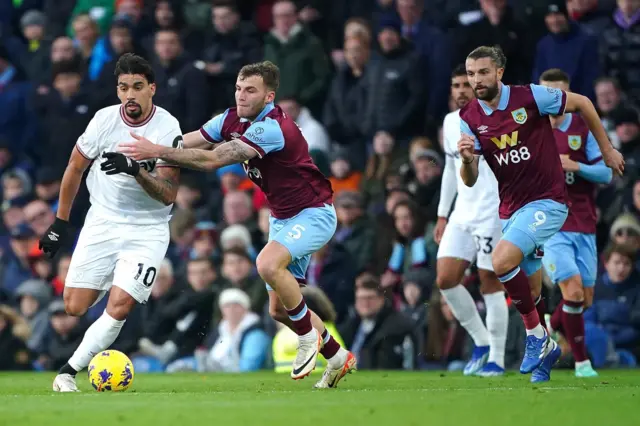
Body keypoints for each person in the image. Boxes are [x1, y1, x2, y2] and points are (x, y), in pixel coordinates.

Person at [118, 61, 356, 387]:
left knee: (266, 264)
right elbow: (187, 143)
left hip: (314, 214)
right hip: (283, 218)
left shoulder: (271, 127)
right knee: (279, 310)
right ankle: (337, 356)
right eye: (239, 88)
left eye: (251, 90)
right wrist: (146, 152)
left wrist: (156, 151)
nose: (242, 96)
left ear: (269, 96)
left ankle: (307, 340)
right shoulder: (230, 118)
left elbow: (212, 159)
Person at [458, 46, 624, 383]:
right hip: (511, 209)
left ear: (499, 72)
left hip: (548, 201)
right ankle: (546, 356)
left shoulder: (529, 97)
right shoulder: (470, 117)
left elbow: (584, 104)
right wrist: (466, 160)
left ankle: (536, 338)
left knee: (501, 262)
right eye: (471, 74)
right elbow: (471, 180)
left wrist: (606, 149)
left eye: (483, 72)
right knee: (531, 294)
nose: (476, 80)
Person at [39, 53, 183, 392]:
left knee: (119, 305)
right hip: (102, 221)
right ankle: (115, 282)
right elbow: (75, 168)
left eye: (137, 87)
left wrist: (135, 170)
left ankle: (67, 372)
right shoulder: (104, 120)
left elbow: (168, 193)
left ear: (152, 89)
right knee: (73, 307)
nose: (129, 95)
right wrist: (60, 221)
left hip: (147, 228)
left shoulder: (167, 128)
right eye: (123, 88)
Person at [434, 64, 508, 377]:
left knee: (490, 282)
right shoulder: (451, 122)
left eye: (467, 83)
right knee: (445, 279)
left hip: (493, 210)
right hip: (461, 213)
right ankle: (481, 342)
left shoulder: (496, 117)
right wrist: (442, 213)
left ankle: (498, 358)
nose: (462, 90)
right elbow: (451, 170)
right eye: (456, 85)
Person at [538, 68, 612, 378]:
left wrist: (576, 165)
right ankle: (582, 363)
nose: (554, 102)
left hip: (584, 221)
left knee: (584, 299)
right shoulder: (531, 131)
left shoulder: (583, 128)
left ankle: (548, 328)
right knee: (573, 291)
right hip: (551, 225)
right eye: (547, 94)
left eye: (560, 95)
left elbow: (607, 173)